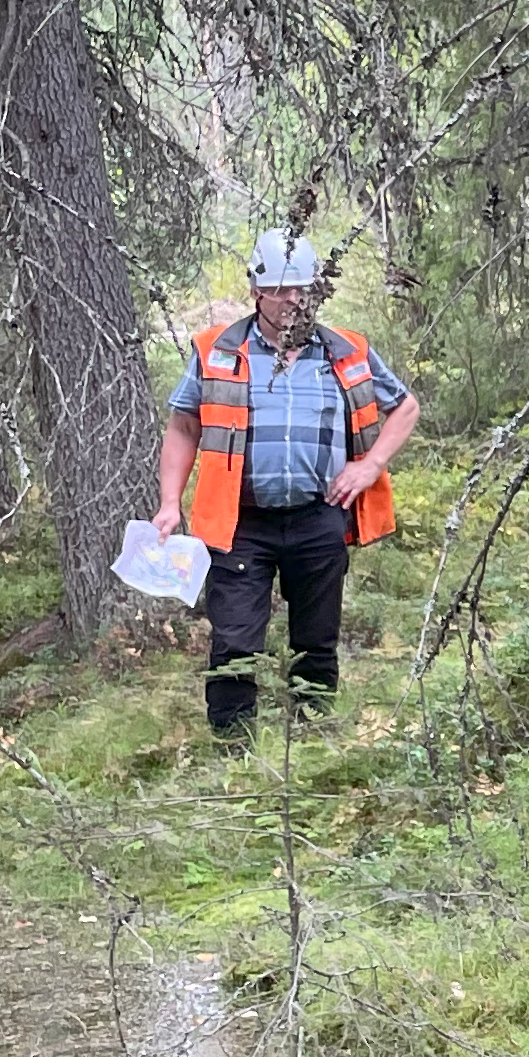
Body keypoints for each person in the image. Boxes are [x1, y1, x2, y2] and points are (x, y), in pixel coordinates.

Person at [154, 229, 421, 738]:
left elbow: (403, 407)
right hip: (239, 522)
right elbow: (184, 424)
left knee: (316, 642)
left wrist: (369, 467)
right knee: (233, 643)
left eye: (303, 289)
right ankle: (234, 754)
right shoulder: (218, 351)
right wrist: (170, 503)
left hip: (318, 517)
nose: (293, 300)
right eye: (281, 289)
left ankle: (315, 741)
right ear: (258, 290)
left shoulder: (347, 351)